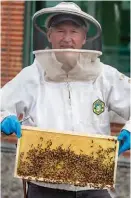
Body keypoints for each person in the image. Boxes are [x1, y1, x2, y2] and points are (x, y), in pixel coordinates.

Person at [1, 2, 130, 198]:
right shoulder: (32, 75)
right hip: (44, 186)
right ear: (49, 35)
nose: (67, 38)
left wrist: (129, 130)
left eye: (74, 32)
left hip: (93, 186)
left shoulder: (105, 76)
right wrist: (4, 117)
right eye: (60, 31)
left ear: (84, 37)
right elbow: (2, 103)